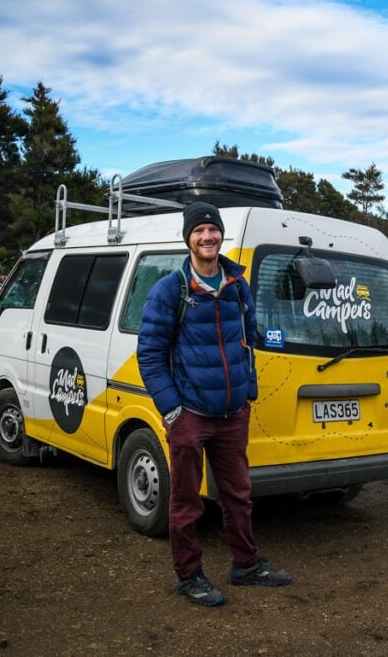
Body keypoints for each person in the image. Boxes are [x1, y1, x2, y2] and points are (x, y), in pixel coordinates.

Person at [137, 201, 291, 607]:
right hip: (190, 413)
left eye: (213, 229)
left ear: (222, 234)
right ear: (188, 238)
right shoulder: (170, 290)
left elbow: (249, 342)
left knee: (238, 494)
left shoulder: (237, 286)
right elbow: (150, 356)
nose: (207, 236)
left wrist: (248, 393)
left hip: (232, 412)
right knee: (186, 501)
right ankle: (190, 576)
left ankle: (246, 564)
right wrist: (173, 410)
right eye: (199, 230)